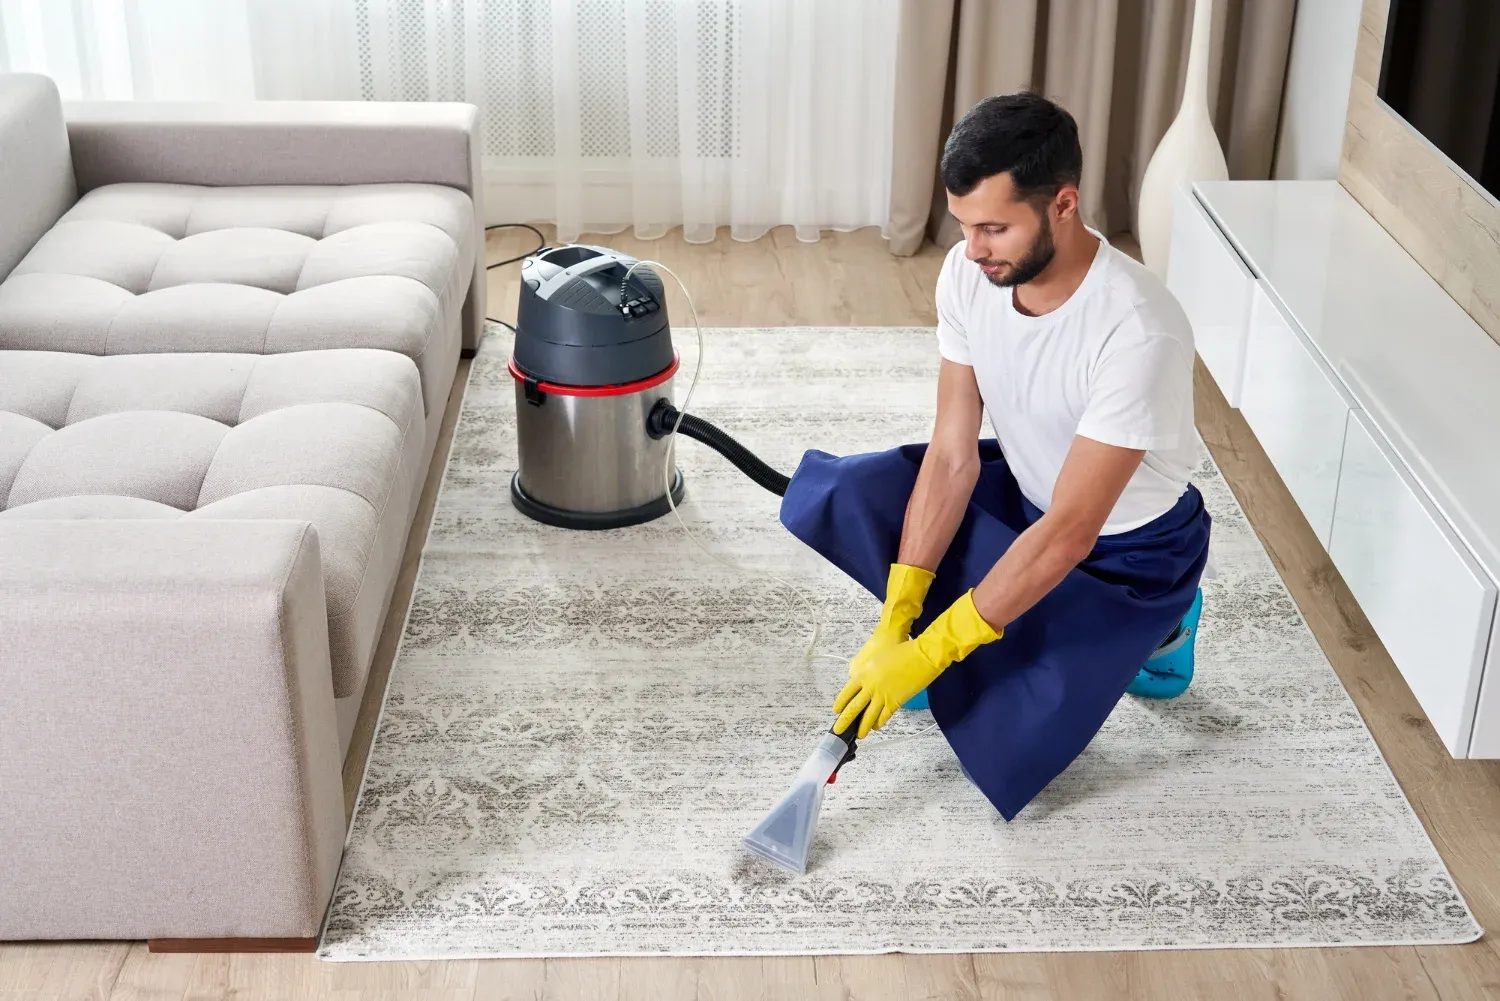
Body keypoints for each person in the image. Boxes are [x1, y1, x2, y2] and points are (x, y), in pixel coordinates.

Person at [778, 92, 1211, 821]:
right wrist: (900, 615)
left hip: (1124, 551)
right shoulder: (968, 275)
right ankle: (959, 621)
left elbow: (1071, 532)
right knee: (857, 492)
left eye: (993, 228)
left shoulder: (1138, 330)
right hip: (1027, 490)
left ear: (1064, 204)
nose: (972, 249)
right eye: (964, 225)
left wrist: (934, 651)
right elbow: (952, 456)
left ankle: (1164, 627)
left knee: (1007, 735)